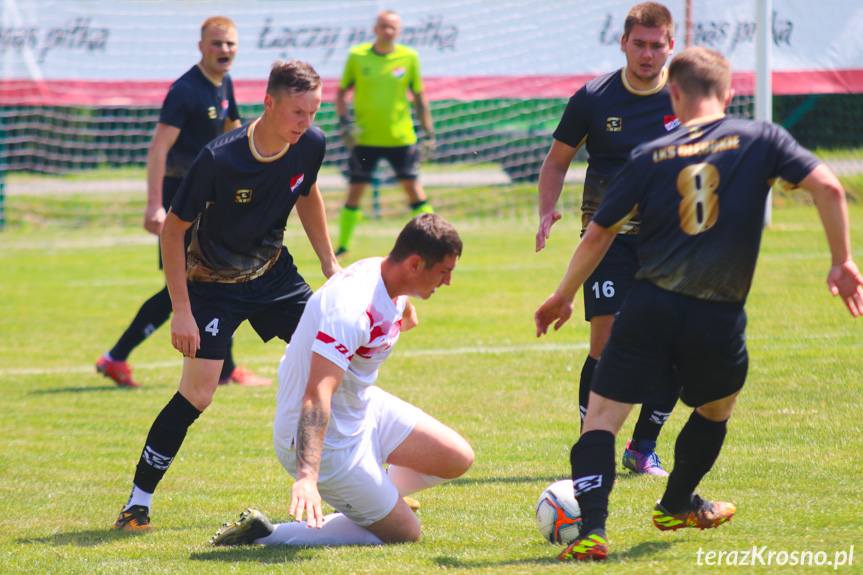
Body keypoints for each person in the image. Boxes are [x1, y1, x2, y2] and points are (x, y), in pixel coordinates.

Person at [535, 46, 863, 562]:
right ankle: (675, 502)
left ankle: (593, 531)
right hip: (719, 312)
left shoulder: (650, 155)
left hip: (649, 306)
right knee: (715, 409)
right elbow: (827, 187)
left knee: (600, 417)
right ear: (730, 94)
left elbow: (599, 231)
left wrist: (562, 295)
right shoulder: (761, 137)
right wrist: (842, 260)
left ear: (675, 94)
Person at [112, 60, 341, 532]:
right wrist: (181, 311)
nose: (307, 123)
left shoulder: (310, 144)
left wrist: (329, 263)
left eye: (314, 111)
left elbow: (307, 193)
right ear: (269, 103)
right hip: (212, 285)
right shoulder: (220, 158)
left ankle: (364, 485)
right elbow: (172, 232)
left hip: (274, 276)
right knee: (198, 393)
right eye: (298, 112)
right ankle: (137, 503)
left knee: (339, 359)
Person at [209, 213, 474, 547]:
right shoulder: (351, 309)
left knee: (456, 457)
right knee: (406, 533)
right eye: (445, 272)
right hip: (325, 440)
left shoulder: (392, 276)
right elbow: (317, 394)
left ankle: (376, 498)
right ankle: (265, 535)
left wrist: (406, 314)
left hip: (362, 409)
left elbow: (399, 313)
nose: (448, 281)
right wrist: (308, 476)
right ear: (416, 264)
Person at [535, 2, 681, 476]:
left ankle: (642, 447)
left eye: (656, 45)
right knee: (608, 339)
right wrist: (546, 208)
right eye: (638, 44)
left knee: (678, 345)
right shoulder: (594, 98)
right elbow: (557, 161)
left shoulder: (684, 96)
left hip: (671, 242)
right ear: (623, 43)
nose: (647, 54)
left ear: (670, 46)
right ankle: (591, 443)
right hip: (607, 238)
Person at [95, 16, 270, 388]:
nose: (224, 50)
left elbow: (233, 132)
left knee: (213, 278)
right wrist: (154, 204)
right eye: (217, 43)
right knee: (190, 285)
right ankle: (118, 357)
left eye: (230, 44)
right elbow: (159, 148)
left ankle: (222, 368)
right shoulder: (185, 91)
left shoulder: (224, 84)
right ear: (201, 46)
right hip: (181, 199)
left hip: (211, 201)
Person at [334, 10, 436, 258]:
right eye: (383, 26)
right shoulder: (357, 57)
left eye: (392, 27)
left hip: (400, 138)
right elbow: (340, 93)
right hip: (365, 139)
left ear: (399, 31)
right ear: (375, 29)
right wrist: (344, 122)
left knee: (414, 190)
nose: (388, 31)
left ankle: (435, 242)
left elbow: (420, 96)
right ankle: (343, 247)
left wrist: (428, 132)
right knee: (355, 191)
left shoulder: (409, 57)